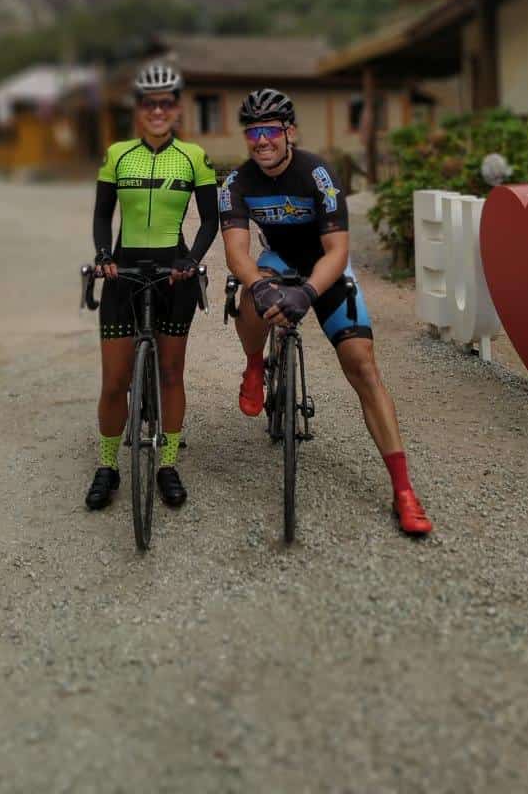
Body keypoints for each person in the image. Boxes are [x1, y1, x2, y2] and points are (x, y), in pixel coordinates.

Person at [219, 87, 433, 536]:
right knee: (246, 299)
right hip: (277, 261)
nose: (261, 141)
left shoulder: (318, 174)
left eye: (270, 131)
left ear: (289, 132)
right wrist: (260, 286)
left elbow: (337, 250)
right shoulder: (237, 183)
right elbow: (237, 252)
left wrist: (309, 294)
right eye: (253, 132)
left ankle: (403, 491)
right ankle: (255, 365)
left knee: (363, 366)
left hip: (325, 265)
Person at [86, 61, 218, 511]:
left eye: (166, 103)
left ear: (177, 108)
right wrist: (103, 255)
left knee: (171, 375)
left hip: (173, 274)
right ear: (138, 109)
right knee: (113, 381)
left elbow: (211, 220)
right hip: (123, 275)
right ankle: (107, 465)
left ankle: (167, 464)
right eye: (149, 103)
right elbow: (103, 214)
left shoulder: (194, 158)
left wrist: (192, 260)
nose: (157, 111)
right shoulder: (118, 154)